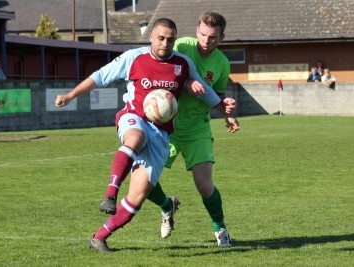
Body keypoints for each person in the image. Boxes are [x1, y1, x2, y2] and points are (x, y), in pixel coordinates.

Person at [55, 18, 239, 252]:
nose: (165, 43)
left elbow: (205, 91)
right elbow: (100, 76)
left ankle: (99, 238)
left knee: (137, 197)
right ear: (151, 36)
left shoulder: (182, 63)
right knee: (135, 138)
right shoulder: (135, 57)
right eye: (160, 38)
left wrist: (226, 109)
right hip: (134, 118)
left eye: (170, 39)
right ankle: (110, 194)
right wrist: (70, 96)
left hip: (163, 134)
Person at [145, 11, 239, 248]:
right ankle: (168, 205)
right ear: (197, 31)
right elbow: (161, 66)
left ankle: (220, 228)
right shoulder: (181, 46)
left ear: (222, 37)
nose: (207, 41)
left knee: (204, 185)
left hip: (197, 128)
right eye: (203, 35)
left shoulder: (222, 63)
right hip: (166, 128)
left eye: (213, 37)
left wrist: (227, 114)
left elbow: (217, 95)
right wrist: (185, 82)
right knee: (144, 182)